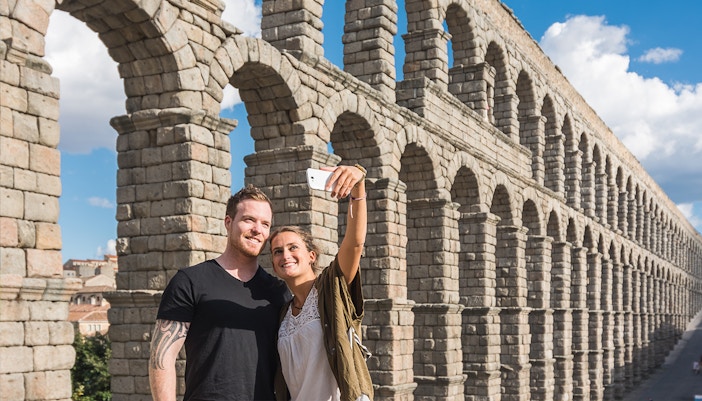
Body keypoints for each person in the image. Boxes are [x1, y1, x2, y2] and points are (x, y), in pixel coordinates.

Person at [148, 185, 291, 401]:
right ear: (228, 222)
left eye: (265, 224)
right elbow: (162, 357)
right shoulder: (190, 281)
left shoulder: (278, 292)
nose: (257, 229)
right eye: (249, 220)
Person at [270, 164, 373, 401]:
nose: (285, 255)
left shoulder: (332, 286)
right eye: (277, 251)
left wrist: (358, 186)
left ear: (311, 255)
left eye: (293, 247)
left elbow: (355, 244)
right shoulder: (283, 313)